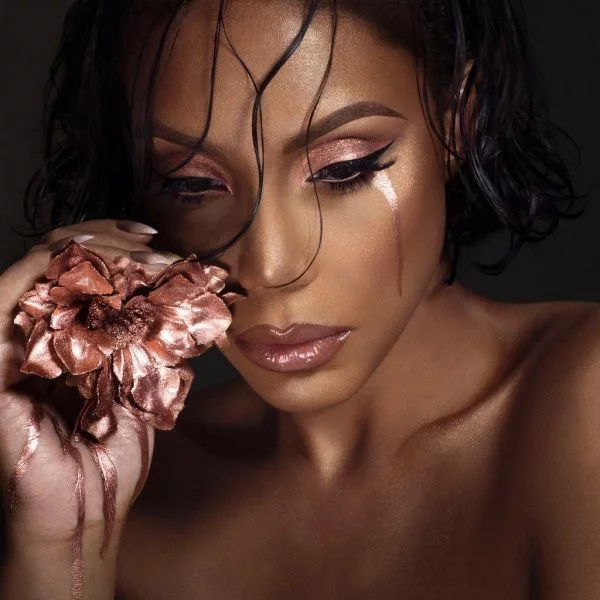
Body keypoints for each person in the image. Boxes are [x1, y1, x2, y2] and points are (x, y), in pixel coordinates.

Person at [1, 0, 599, 598]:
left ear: (460, 120)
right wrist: (64, 542)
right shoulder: (122, 486)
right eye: (192, 184)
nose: (270, 267)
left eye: (343, 170)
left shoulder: (580, 403)